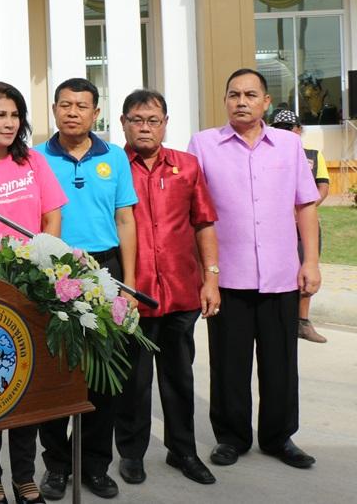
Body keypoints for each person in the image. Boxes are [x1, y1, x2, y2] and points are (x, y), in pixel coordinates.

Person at [188, 68, 321, 471]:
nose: (241, 101)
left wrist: (311, 261)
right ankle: (231, 437)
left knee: (281, 363)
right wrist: (204, 274)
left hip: (281, 274)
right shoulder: (203, 145)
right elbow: (194, 212)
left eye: (250, 95)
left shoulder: (288, 145)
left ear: (266, 102)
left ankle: (279, 437)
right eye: (234, 94)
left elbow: (305, 204)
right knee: (229, 364)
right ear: (225, 101)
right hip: (228, 275)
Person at [0, 81, 66, 504]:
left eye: (15, 115)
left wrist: (42, 265)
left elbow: (51, 218)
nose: (9, 123)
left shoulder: (33, 161)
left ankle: (24, 476)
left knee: (26, 385)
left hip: (31, 289)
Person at [34, 77, 138, 501]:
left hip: (106, 268)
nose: (72, 112)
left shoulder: (114, 157)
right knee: (55, 374)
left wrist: (129, 283)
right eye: (65, 105)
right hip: (54, 270)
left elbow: (125, 219)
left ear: (96, 113)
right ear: (54, 110)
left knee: (103, 376)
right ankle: (56, 466)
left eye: (81, 106)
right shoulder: (37, 157)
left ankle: (95, 465)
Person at [113, 89, 220, 488]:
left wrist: (211, 278)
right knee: (134, 382)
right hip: (133, 295)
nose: (145, 127)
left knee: (179, 379)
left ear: (165, 124)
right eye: (137, 120)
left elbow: (203, 223)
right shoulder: (113, 166)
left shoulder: (187, 166)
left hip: (181, 292)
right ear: (123, 123)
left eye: (153, 120)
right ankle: (132, 453)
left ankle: (183, 450)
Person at [270, 107, 330, 344]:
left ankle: (302, 322)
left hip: (304, 226)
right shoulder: (266, 155)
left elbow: (323, 186)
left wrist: (305, 208)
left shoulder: (313, 155)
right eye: (279, 128)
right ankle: (277, 322)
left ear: (299, 130)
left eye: (290, 128)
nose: (286, 132)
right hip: (276, 226)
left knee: (305, 270)